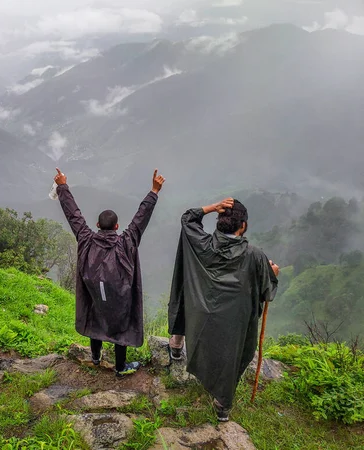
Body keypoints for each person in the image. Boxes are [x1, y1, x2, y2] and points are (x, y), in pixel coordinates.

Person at [168, 198, 279, 421]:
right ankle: (221, 406)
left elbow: (187, 219)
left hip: (198, 312)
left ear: (218, 221)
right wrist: (273, 273)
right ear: (243, 226)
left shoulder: (202, 244)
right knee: (231, 355)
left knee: (185, 295)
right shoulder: (255, 256)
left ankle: (176, 348)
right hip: (231, 321)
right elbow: (267, 293)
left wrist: (210, 207)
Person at [54, 168, 165, 377]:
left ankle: (95, 357)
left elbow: (73, 215)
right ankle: (120, 366)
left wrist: (62, 186)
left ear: (97, 225)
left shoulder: (86, 239)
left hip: (95, 291)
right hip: (119, 297)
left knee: (96, 316)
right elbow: (140, 218)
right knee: (119, 325)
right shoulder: (126, 243)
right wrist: (154, 191)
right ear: (116, 226)